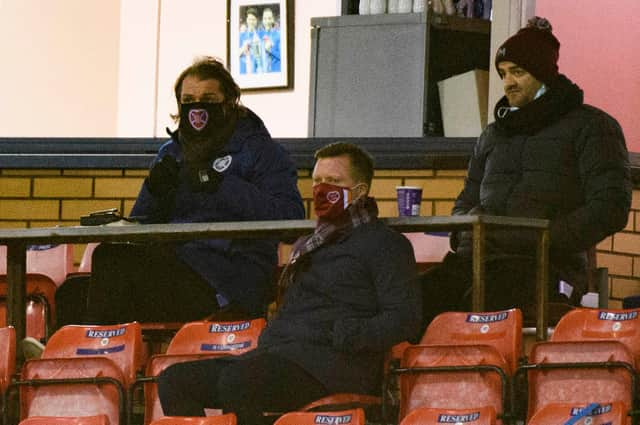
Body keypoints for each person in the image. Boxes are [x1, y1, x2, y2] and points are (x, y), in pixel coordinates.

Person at [157, 142, 422, 425]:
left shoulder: (385, 244)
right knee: (176, 379)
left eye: (334, 181)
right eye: (318, 180)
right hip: (279, 355)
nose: (322, 188)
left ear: (360, 191)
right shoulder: (310, 245)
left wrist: (347, 333)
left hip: (335, 366)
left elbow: (406, 318)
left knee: (242, 381)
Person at [58, 56, 304, 327]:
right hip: (174, 267)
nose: (197, 109)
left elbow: (290, 221)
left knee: (111, 259)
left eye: (208, 99)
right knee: (72, 294)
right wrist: (154, 190)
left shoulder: (261, 151)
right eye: (189, 101)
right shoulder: (171, 152)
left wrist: (222, 185)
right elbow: (140, 224)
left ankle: (104, 355)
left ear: (229, 102)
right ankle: (76, 360)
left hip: (230, 279)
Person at [421, 17, 631, 326]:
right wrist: (465, 235)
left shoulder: (593, 127)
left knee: (484, 303)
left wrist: (544, 238)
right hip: (476, 263)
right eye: (503, 73)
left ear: (544, 75)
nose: (508, 83)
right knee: (409, 303)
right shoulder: (492, 135)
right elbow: (464, 202)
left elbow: (610, 207)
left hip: (547, 267)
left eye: (518, 72)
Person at [239, 7, 263, 74]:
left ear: (257, 21)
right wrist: (243, 48)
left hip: (255, 71)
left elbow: (260, 57)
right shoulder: (241, 35)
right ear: (247, 20)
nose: (251, 22)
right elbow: (235, 55)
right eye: (250, 19)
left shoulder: (259, 36)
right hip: (243, 70)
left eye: (253, 19)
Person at [259, 7, 281, 73]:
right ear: (262, 20)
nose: (267, 21)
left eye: (269, 18)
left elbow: (283, 57)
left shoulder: (279, 35)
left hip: (276, 72)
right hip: (262, 73)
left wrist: (270, 50)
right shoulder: (259, 35)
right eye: (265, 19)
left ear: (273, 20)